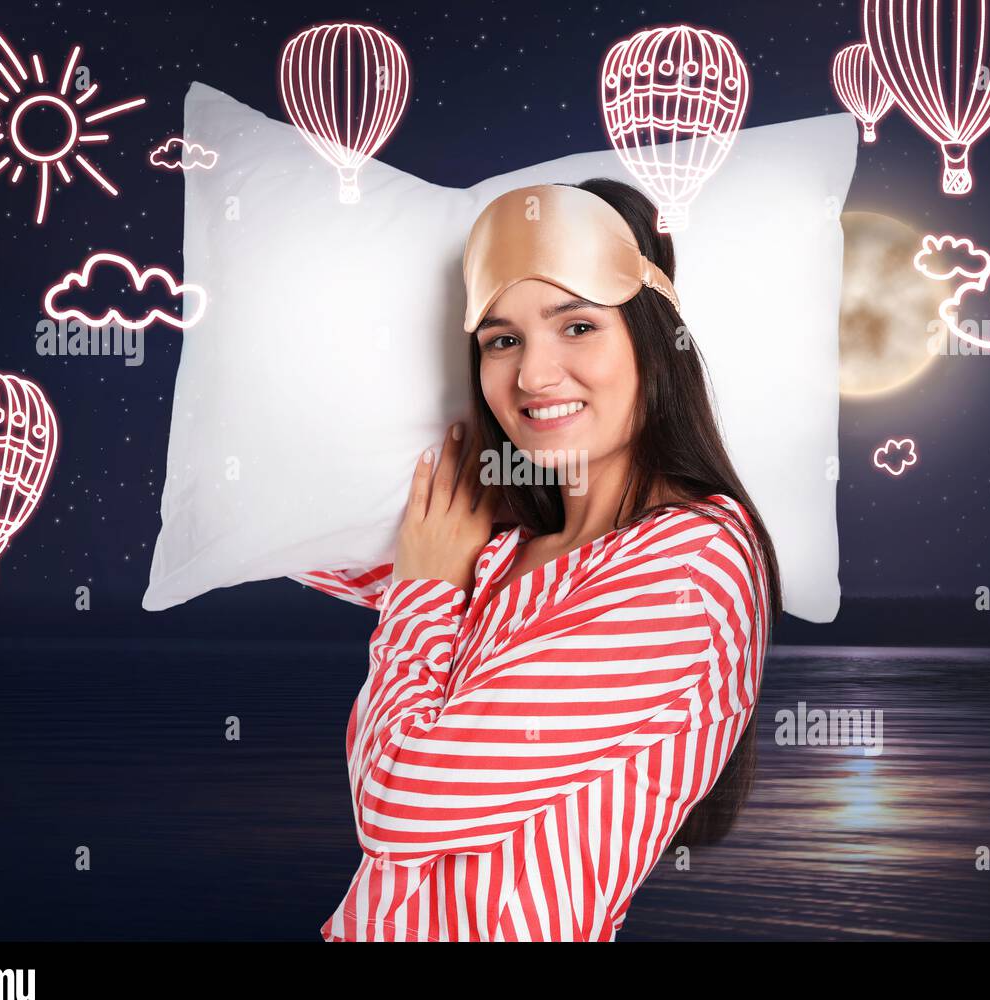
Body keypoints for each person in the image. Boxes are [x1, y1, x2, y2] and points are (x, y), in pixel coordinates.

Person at [298, 178, 783, 941]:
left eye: (578, 326)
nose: (532, 375)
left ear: (653, 342)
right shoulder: (501, 545)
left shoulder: (694, 563)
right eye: (502, 339)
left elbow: (401, 804)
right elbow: (300, 540)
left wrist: (425, 590)